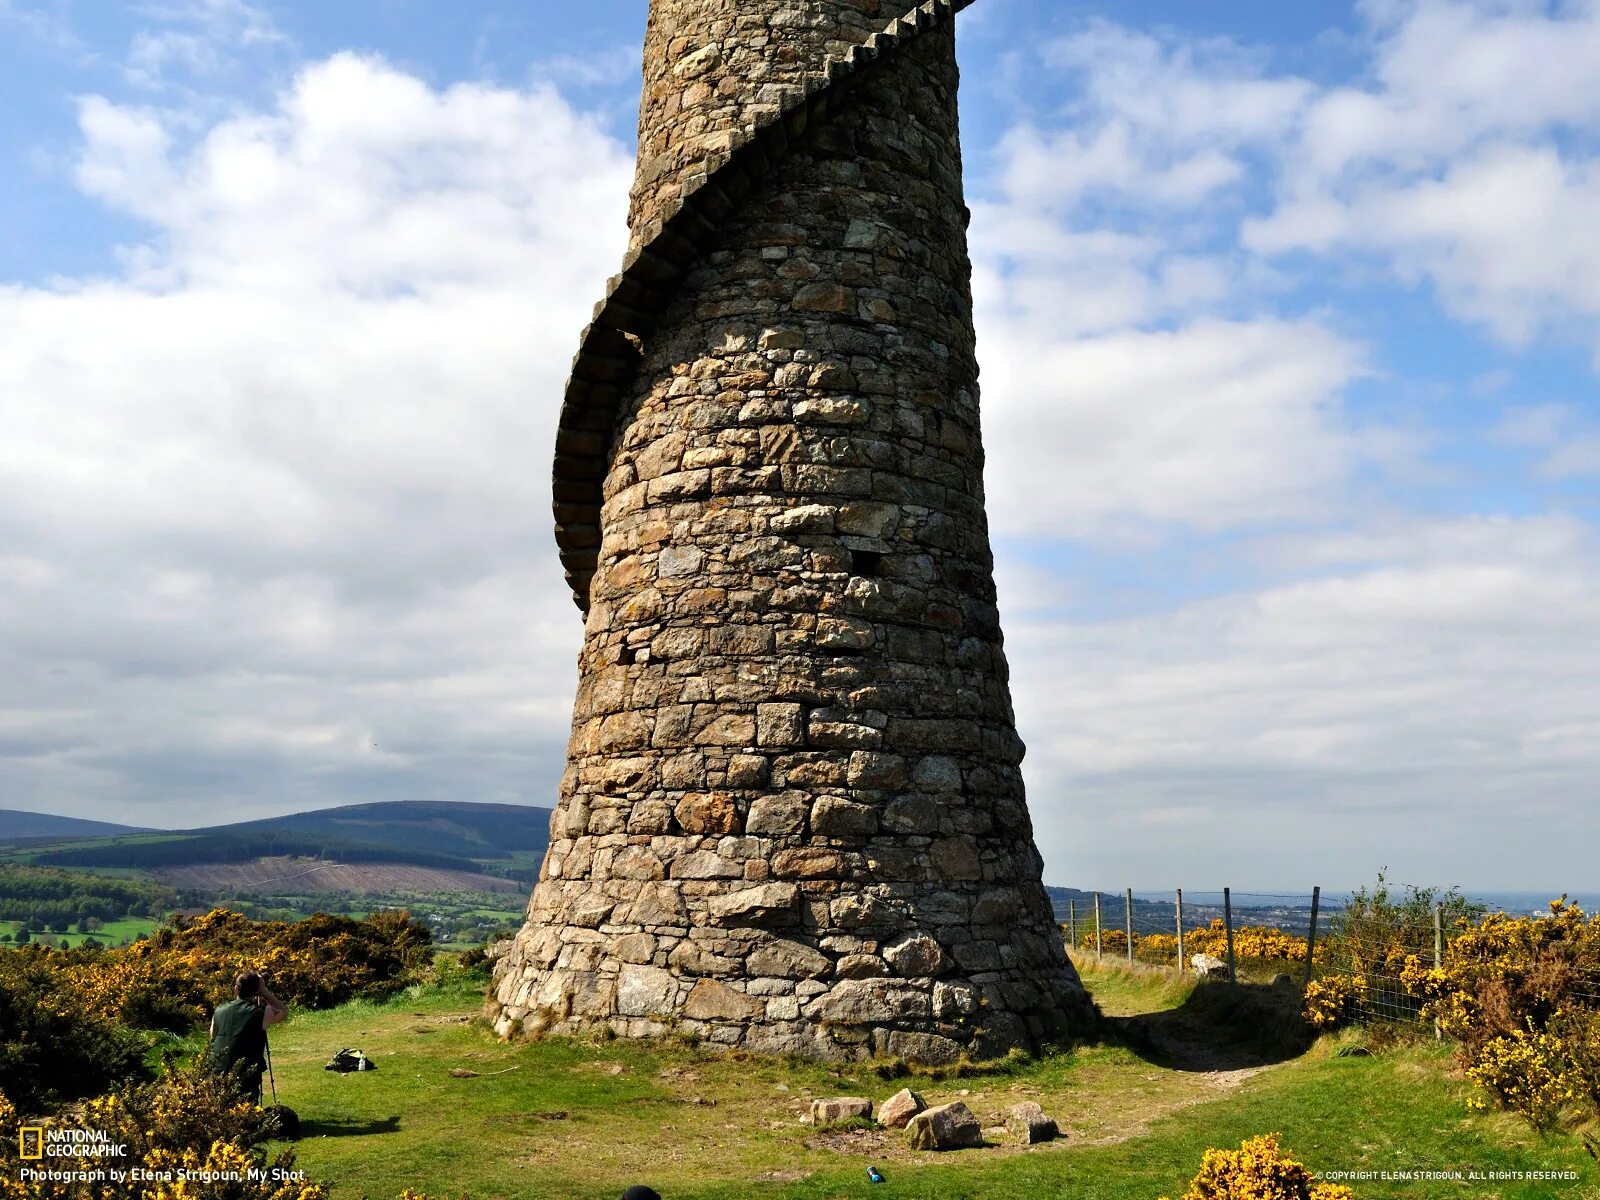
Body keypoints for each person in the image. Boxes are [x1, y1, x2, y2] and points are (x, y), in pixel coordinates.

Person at [205, 971, 287, 1105]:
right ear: (256, 991)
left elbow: (212, 1036)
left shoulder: (219, 1010)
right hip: (246, 1074)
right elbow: (282, 1011)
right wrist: (264, 991)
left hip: (216, 1069)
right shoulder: (260, 1012)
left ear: (236, 989)